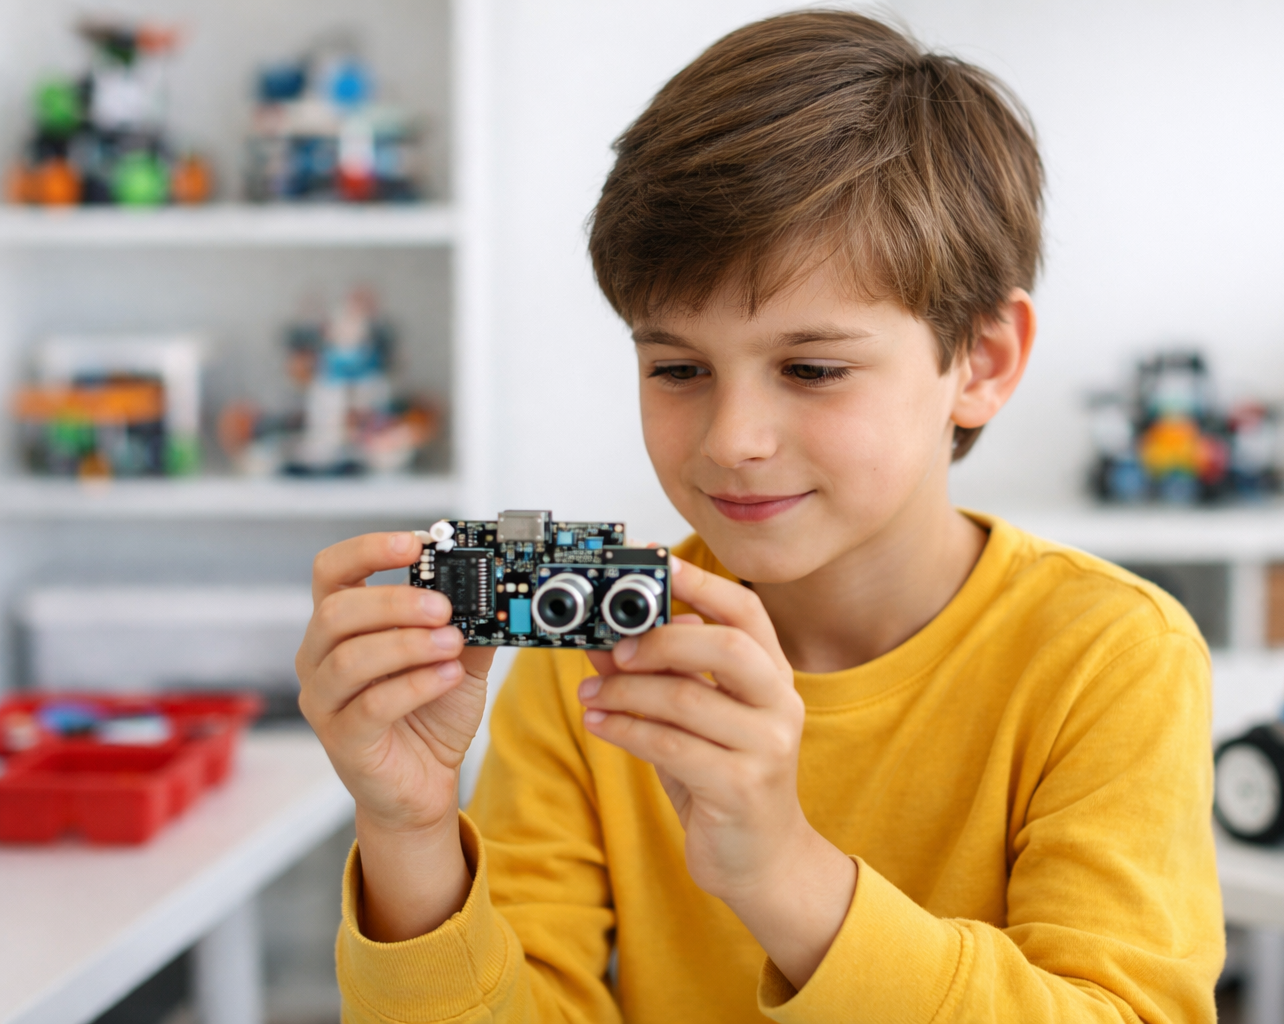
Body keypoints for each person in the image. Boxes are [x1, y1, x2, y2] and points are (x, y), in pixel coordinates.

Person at [297, 10, 1224, 1023]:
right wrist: (411, 836)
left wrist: (784, 873)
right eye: (677, 367)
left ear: (982, 362)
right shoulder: (590, 660)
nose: (733, 437)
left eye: (813, 368)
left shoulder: (1109, 657)